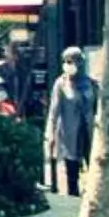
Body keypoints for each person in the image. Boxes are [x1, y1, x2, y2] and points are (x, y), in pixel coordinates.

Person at [44, 45, 99, 196]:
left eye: (72, 61)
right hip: (69, 132)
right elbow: (54, 111)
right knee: (72, 168)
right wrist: (50, 133)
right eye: (66, 61)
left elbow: (99, 107)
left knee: (93, 166)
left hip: (89, 131)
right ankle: (73, 197)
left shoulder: (91, 84)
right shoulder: (60, 84)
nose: (69, 65)